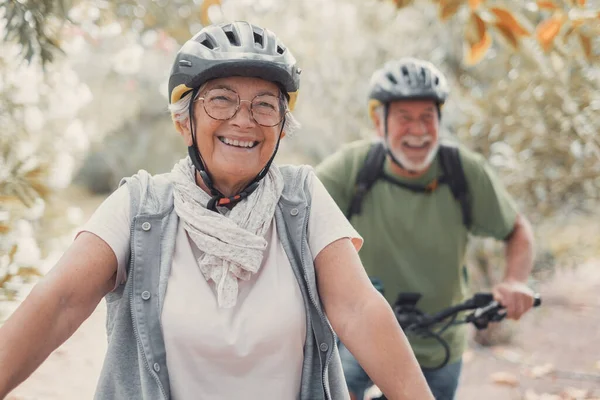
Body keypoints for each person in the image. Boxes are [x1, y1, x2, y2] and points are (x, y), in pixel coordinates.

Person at [0, 23, 434, 400]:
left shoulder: (302, 200)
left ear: (282, 126)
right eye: (221, 100)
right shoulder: (140, 207)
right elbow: (57, 303)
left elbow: (359, 308)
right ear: (184, 120)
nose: (243, 120)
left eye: (265, 104)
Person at [315, 57, 537, 400]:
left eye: (427, 118)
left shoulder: (464, 171)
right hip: (361, 338)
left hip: (441, 342)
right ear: (379, 123)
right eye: (404, 118)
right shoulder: (352, 168)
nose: (418, 131)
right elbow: (297, 218)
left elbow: (517, 230)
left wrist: (514, 281)